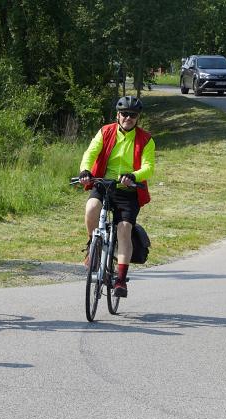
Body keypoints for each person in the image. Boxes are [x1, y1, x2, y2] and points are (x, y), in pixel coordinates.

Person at [78, 96, 155, 298]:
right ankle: (93, 247)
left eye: (133, 115)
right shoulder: (106, 131)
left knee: (124, 230)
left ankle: (120, 280)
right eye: (125, 114)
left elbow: (148, 167)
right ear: (118, 115)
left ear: (138, 118)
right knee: (91, 208)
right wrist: (85, 170)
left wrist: (134, 176)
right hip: (104, 184)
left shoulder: (146, 139)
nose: (128, 118)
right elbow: (90, 153)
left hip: (128, 190)